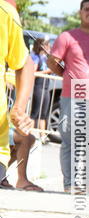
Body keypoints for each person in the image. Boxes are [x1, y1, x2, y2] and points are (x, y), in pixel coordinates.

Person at [48, 0, 89, 193]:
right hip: (73, 93)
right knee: (70, 140)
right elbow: (52, 61)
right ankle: (70, 184)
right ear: (80, 12)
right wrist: (67, 75)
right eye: (86, 9)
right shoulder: (67, 37)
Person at [0, 0, 35, 190]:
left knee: (27, 138)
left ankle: (21, 178)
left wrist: (19, 109)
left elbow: (24, 63)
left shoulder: (5, 12)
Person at [30, 37, 52, 141]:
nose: (49, 47)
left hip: (46, 87)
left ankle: (42, 136)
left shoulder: (46, 58)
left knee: (44, 113)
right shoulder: (36, 57)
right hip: (38, 87)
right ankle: (29, 135)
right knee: (35, 112)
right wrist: (47, 72)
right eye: (47, 45)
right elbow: (33, 72)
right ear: (42, 46)